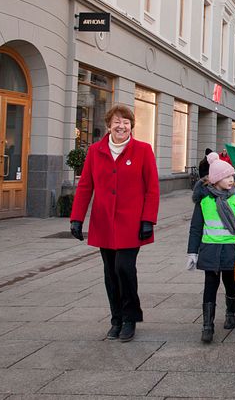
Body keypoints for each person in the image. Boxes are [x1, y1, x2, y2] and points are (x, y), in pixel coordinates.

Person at [70, 104, 159, 342]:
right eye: (117, 122)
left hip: (132, 224)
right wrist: (77, 218)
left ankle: (130, 317)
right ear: (109, 125)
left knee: (124, 268)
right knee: (110, 273)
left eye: (126, 123)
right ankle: (116, 319)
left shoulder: (143, 150)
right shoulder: (95, 151)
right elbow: (86, 185)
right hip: (104, 223)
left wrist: (148, 219)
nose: (122, 126)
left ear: (131, 127)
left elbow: (152, 188)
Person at [187, 153, 235, 343]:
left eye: (232, 176)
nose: (232, 180)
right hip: (211, 251)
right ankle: (208, 324)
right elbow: (196, 227)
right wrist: (192, 252)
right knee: (210, 286)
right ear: (215, 180)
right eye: (227, 177)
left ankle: (231, 313)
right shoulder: (204, 201)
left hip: (233, 248)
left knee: (231, 282)